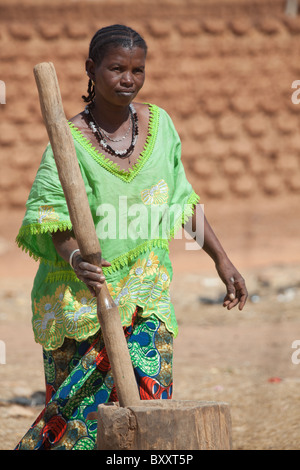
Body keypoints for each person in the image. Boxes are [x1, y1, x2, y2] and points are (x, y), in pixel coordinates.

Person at [15, 24, 248, 450]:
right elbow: (50, 220)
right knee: (79, 426)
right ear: (91, 69)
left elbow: (181, 200)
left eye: (138, 70)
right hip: (83, 300)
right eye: (116, 68)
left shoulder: (160, 126)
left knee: (149, 416)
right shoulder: (66, 141)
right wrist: (75, 260)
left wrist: (222, 260)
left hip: (147, 288)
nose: (128, 80)